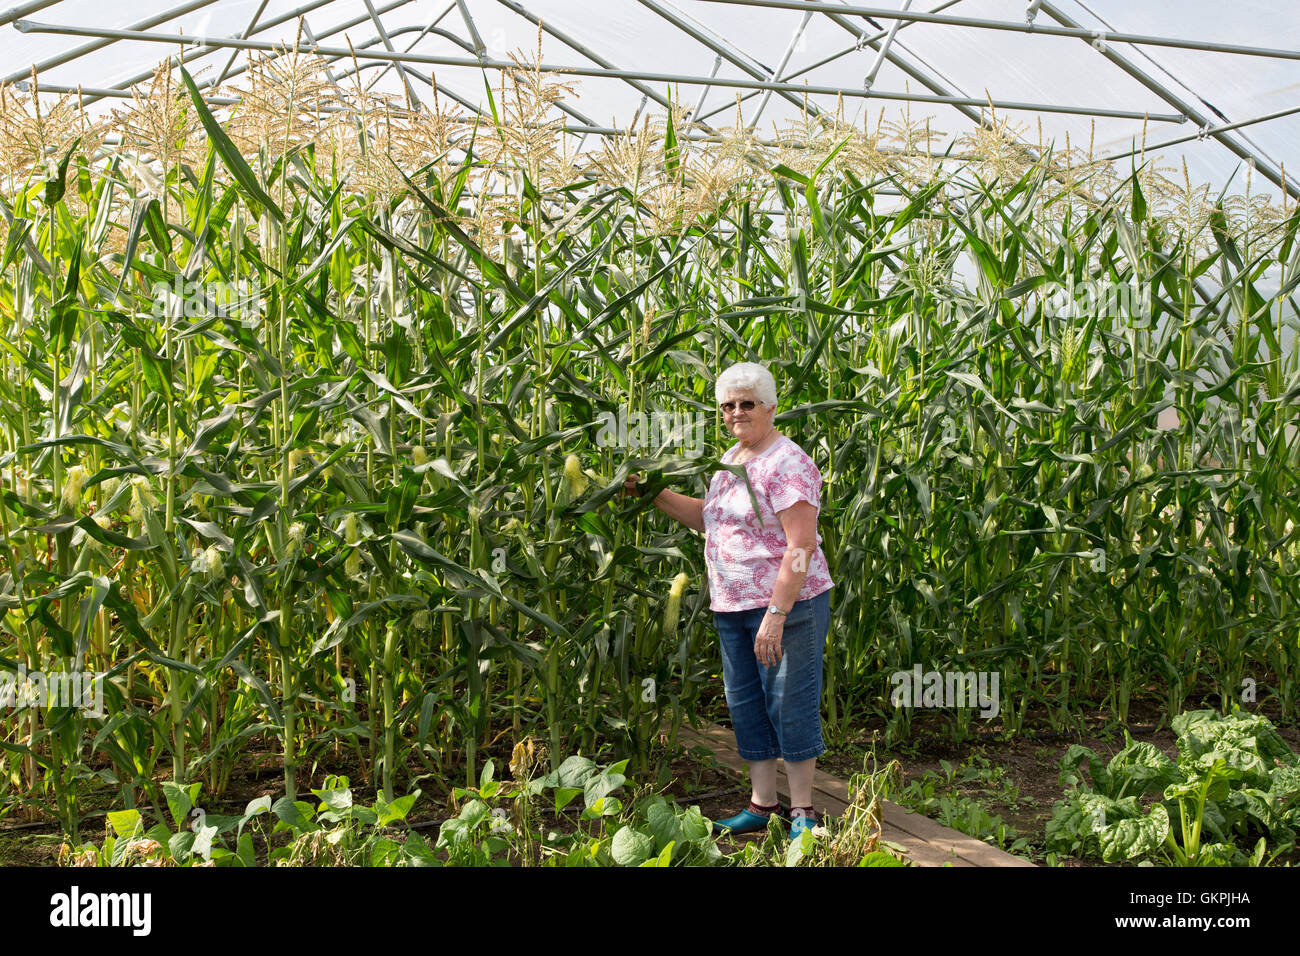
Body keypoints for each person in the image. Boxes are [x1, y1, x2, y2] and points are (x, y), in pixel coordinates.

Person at [623, 361, 833, 838]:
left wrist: (777, 614)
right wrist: (654, 491)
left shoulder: (787, 462)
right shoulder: (734, 457)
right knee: (746, 702)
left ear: (771, 408)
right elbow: (707, 519)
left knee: (788, 701)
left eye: (747, 403)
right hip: (731, 605)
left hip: (786, 606)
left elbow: (801, 545)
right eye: (728, 405)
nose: (737, 412)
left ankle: (803, 812)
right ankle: (762, 805)